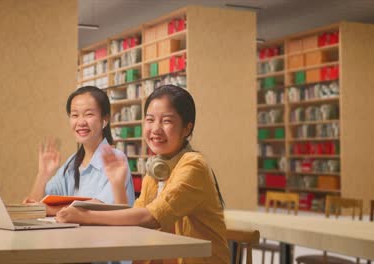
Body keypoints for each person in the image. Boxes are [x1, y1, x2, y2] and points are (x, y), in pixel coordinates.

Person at [56, 85, 230, 263]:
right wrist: (117, 186)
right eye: (150, 120)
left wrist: (85, 216)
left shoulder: (194, 165)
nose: (156, 129)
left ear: (187, 128)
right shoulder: (156, 168)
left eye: (167, 121)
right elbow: (133, 218)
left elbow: (150, 217)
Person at [25, 86, 135, 215]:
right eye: (75, 115)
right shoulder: (72, 163)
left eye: (89, 114)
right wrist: (43, 175)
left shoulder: (116, 160)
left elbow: (102, 209)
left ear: (104, 120)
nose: (81, 122)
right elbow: (33, 207)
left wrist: (51, 210)